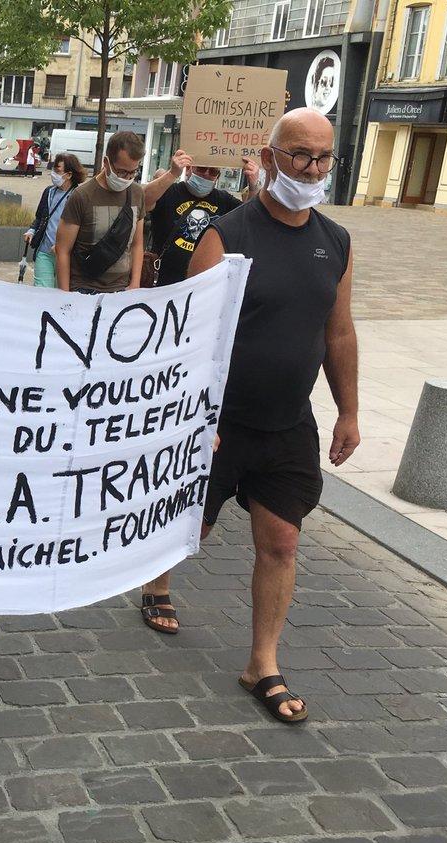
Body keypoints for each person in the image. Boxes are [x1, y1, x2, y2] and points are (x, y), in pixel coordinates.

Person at [152, 108, 359, 724]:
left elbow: (339, 332)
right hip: (220, 423)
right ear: (270, 158)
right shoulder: (227, 234)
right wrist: (194, 416)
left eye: (323, 157)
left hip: (289, 423)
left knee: (282, 540)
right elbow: (190, 336)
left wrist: (349, 411)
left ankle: (262, 663)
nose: (313, 169)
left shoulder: (336, 241)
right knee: (192, 526)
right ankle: (157, 583)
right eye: (300, 155)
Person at [145, 151, 259, 290]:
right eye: (201, 169)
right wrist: (173, 173)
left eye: (213, 171)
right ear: (189, 169)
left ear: (218, 176)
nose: (206, 174)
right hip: (165, 286)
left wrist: (253, 186)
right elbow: (143, 201)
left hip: (205, 289)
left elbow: (252, 219)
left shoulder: (224, 200)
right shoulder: (169, 193)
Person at [53, 131, 148, 294]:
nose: (127, 178)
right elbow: (63, 250)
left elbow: (137, 244)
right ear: (106, 162)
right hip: (83, 289)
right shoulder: (82, 196)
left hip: (122, 289)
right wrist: (65, 295)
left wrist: (135, 283)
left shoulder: (137, 193)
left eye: (133, 172)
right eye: (121, 172)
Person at [22, 153, 84, 288]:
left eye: (57, 170)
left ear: (69, 174)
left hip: (66, 255)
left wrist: (63, 245)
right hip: (44, 251)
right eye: (53, 170)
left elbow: (83, 228)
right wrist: (32, 230)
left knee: (59, 292)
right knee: (42, 289)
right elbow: (40, 216)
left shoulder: (78, 196)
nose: (53, 174)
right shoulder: (49, 192)